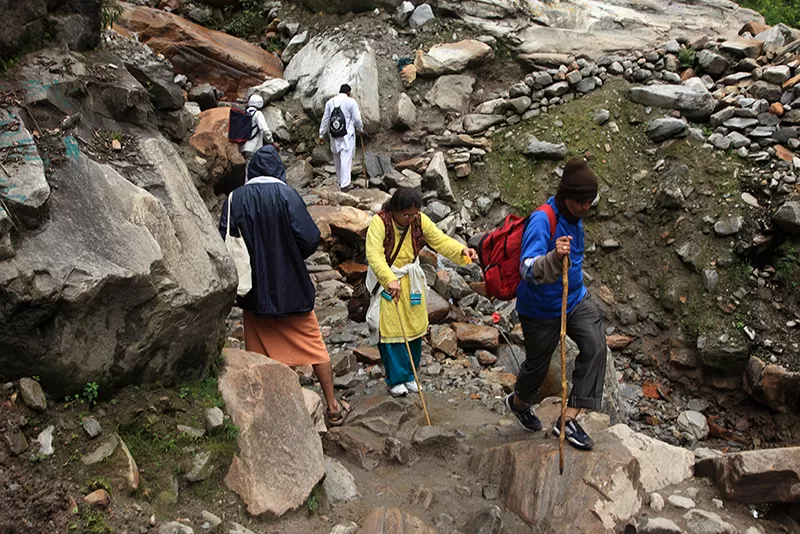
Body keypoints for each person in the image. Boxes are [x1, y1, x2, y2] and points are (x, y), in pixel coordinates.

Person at [219, 145, 349, 425]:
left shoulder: (235, 199)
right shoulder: (286, 194)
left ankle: (268, 409)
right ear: (279, 169)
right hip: (292, 288)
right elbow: (310, 237)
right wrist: (290, 255)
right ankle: (332, 405)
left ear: (251, 170)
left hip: (253, 292)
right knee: (315, 346)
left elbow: (224, 241)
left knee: (258, 351)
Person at [505, 158, 606, 450]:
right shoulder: (542, 219)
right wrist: (552, 258)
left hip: (574, 298)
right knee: (537, 368)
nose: (587, 207)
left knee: (596, 345)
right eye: (582, 201)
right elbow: (526, 268)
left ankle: (569, 418)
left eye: (590, 201)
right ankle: (520, 402)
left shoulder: (577, 216)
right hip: (540, 309)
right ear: (566, 196)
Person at [365, 187, 478, 397]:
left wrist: (461, 251)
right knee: (392, 330)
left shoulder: (419, 220)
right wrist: (389, 279)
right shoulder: (380, 222)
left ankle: (410, 375)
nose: (409, 219)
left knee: (415, 328)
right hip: (389, 279)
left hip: (412, 279)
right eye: (405, 215)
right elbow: (374, 254)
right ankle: (395, 379)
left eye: (413, 214)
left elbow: (440, 240)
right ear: (395, 210)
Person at [318, 84, 363, 192]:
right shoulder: (351, 101)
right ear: (348, 92)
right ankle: (345, 184)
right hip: (347, 135)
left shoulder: (330, 102)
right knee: (346, 158)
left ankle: (340, 181)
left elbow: (325, 119)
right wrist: (360, 129)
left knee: (337, 157)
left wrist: (321, 134)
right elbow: (357, 118)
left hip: (334, 134)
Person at [239, 94, 273, 181]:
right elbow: (265, 129)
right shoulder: (258, 114)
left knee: (248, 169)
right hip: (254, 148)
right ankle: (250, 189)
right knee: (254, 171)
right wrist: (271, 142)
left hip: (243, 147)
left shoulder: (245, 113)